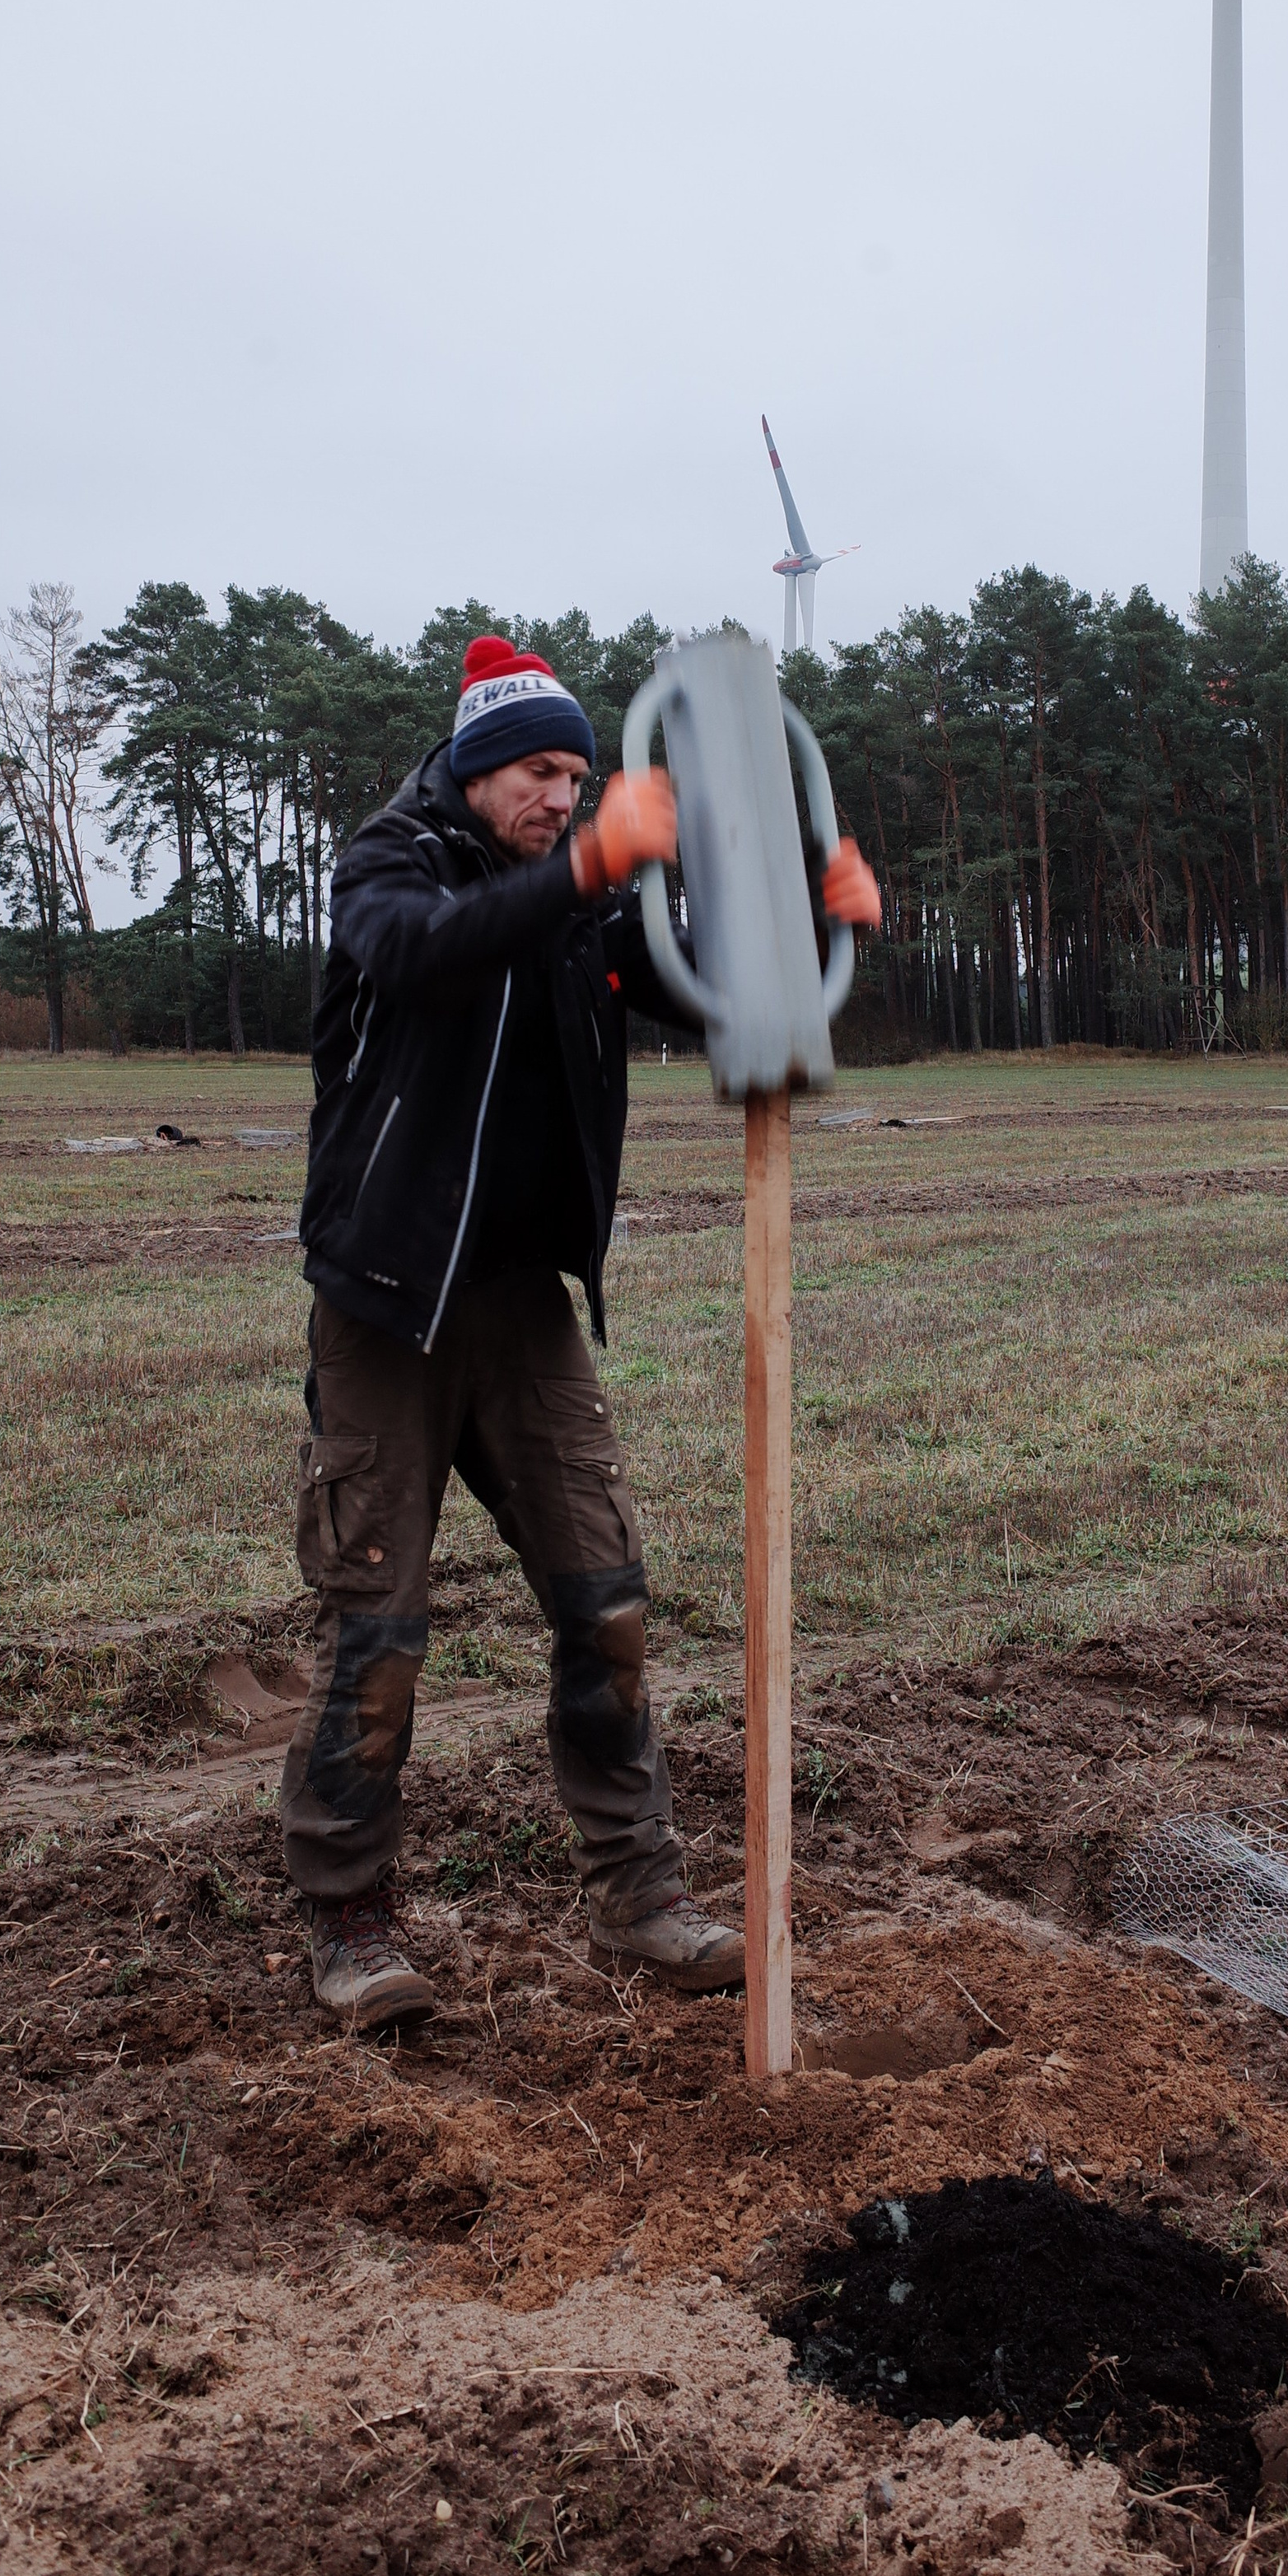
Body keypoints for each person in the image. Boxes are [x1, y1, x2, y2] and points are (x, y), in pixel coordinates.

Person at [284, 632, 882, 2028]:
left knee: (606, 1603)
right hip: (386, 1304)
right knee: (380, 1631)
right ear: (484, 768)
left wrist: (822, 911)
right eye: (544, 774)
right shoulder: (394, 866)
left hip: (520, 1306)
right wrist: (590, 864)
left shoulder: (581, 892)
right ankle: (352, 1921)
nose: (567, 794)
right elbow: (423, 958)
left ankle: (642, 1892)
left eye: (580, 775)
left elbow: (688, 976)